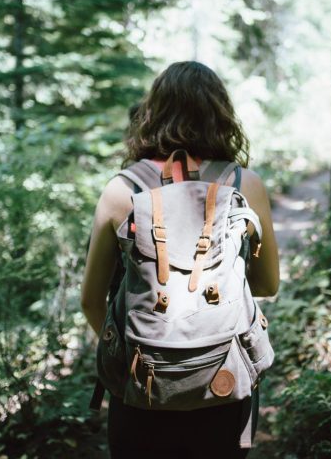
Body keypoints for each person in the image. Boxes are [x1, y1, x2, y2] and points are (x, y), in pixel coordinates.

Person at [81, 60, 280, 458]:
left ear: (153, 114)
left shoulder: (122, 190)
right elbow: (267, 286)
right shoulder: (244, 184)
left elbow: (91, 300)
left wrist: (136, 349)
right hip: (223, 381)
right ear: (220, 115)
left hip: (142, 386)